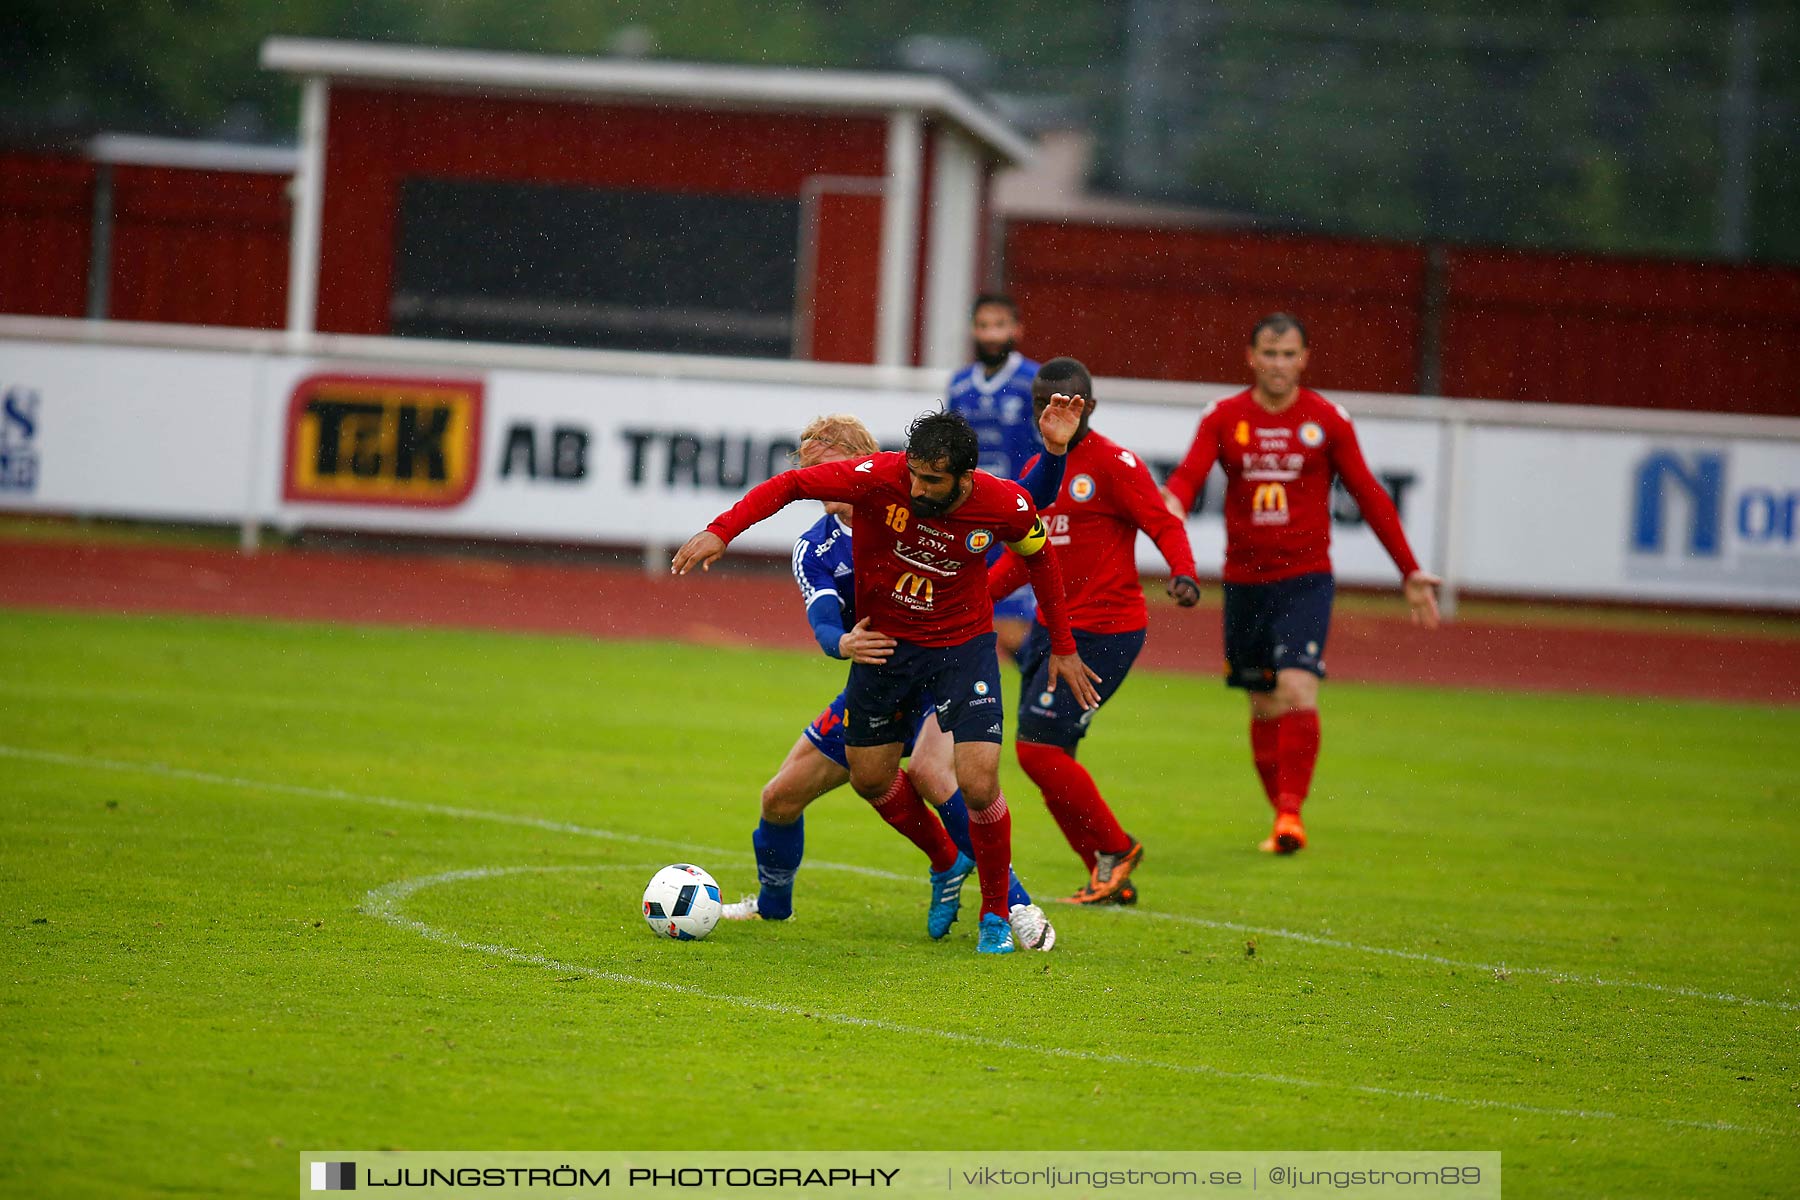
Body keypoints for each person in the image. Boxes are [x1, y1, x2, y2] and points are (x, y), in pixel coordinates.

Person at [673, 411, 1101, 954]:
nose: (819, 479)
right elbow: (824, 611)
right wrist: (838, 641)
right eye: (813, 470)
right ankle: (803, 898)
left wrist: (1061, 640)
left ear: (856, 460)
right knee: (788, 796)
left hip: (949, 659)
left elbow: (1021, 506)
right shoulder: (822, 542)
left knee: (941, 772)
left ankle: (1011, 905)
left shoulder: (908, 486)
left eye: (826, 467)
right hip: (881, 665)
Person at [1160, 313, 1440, 854]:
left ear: (1305, 358)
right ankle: (1280, 817)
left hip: (1305, 578)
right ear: (1251, 357)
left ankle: (1291, 815)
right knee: (1263, 703)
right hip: (1244, 581)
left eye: (1289, 354)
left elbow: (1370, 495)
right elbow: (1190, 476)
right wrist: (1170, 501)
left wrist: (1408, 569)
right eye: (1269, 353)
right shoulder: (1223, 416)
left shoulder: (1326, 419)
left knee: (1296, 686)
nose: (1279, 364)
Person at [987, 357, 1203, 904]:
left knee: (1037, 751)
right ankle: (1107, 876)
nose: (1054, 409)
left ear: (1090, 407)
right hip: (1049, 629)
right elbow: (1026, 552)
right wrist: (972, 597)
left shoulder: (1115, 464)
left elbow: (1163, 521)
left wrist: (1182, 571)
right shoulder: (1042, 467)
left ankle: (1116, 846)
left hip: (1103, 632)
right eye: (1043, 401)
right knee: (1052, 757)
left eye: (1068, 401)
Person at [946, 293, 1041, 663]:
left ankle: (1048, 704)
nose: (991, 334)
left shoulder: (1033, 381)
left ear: (1016, 329)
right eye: (983, 325)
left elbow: (1052, 453)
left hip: (1015, 518)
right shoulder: (958, 385)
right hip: (967, 519)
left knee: (1014, 634)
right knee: (962, 628)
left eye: (999, 325)